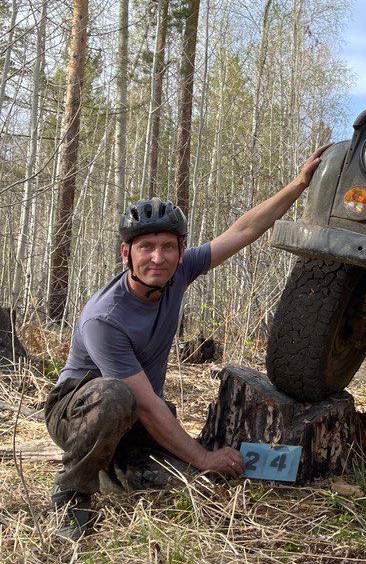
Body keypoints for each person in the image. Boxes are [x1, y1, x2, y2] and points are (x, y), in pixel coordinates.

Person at [45, 146, 329, 540]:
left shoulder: (178, 273)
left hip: (134, 411)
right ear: (126, 253)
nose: (157, 258)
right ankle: (72, 494)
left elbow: (243, 231)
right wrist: (204, 456)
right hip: (79, 411)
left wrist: (298, 185)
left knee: (193, 482)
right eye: (146, 247)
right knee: (117, 399)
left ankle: (117, 467)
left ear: (180, 252)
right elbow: (142, 402)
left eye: (168, 247)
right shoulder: (104, 318)